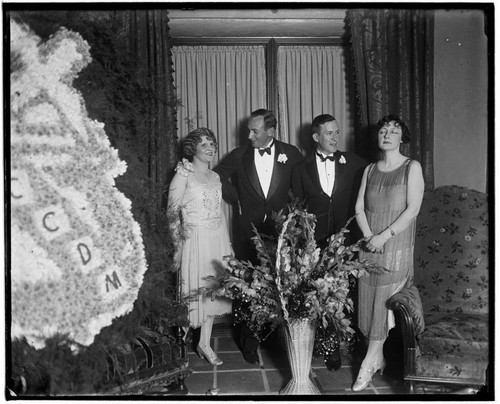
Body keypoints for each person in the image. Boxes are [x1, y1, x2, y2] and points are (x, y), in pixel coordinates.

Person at [214, 108, 303, 364]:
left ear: (271, 132)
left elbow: (299, 188)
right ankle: (248, 343)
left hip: (281, 231)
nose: (250, 135)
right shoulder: (240, 154)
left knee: (283, 286)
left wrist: (292, 215)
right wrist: (236, 198)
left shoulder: (292, 154)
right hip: (247, 231)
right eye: (249, 131)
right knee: (247, 286)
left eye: (255, 131)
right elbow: (218, 175)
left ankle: (279, 343)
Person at [352, 115, 425, 391]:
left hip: (395, 247)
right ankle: (378, 356)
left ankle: (368, 363)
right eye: (383, 130)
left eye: (394, 131)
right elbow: (359, 208)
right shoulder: (369, 170)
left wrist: (384, 236)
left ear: (402, 138)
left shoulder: (411, 167)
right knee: (370, 302)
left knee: (383, 302)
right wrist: (371, 237)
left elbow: (413, 209)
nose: (387, 134)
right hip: (370, 246)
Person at [291, 113, 367, 371]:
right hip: (317, 244)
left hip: (347, 242)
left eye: (337, 132)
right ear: (316, 137)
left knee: (348, 294)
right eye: (329, 133)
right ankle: (329, 348)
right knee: (322, 296)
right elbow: (297, 210)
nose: (336, 137)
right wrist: (306, 244)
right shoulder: (300, 169)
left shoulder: (355, 163)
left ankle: (355, 345)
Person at [168, 128, 233, 367]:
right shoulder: (184, 174)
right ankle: (177, 347)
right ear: (192, 149)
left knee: (212, 293)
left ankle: (204, 343)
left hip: (216, 238)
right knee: (191, 294)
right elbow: (172, 212)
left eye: (212, 143)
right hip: (194, 239)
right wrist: (177, 246)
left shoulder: (215, 177)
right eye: (203, 144)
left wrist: (227, 245)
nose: (209, 148)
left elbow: (219, 212)